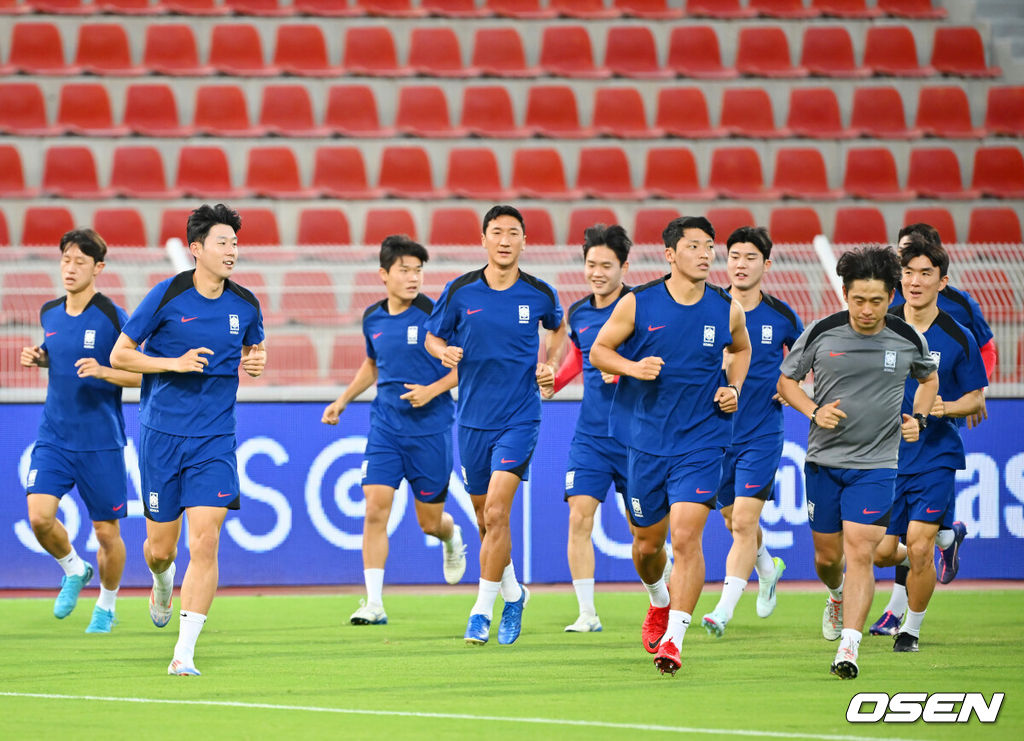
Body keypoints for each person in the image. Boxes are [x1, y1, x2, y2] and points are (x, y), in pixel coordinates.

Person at [110, 204, 266, 676]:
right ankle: (161, 581)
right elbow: (121, 355)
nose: (232, 250)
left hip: (215, 440)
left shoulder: (246, 304)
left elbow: (252, 348)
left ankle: (185, 653)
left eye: (235, 243)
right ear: (196, 249)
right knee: (161, 548)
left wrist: (255, 362)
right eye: (223, 242)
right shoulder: (166, 296)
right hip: (161, 437)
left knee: (206, 540)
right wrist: (173, 363)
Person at [590, 216, 751, 675]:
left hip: (703, 440)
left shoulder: (726, 309)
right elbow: (600, 351)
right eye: (695, 246)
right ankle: (659, 598)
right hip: (645, 442)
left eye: (709, 246)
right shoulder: (637, 304)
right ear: (670, 254)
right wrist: (633, 367)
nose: (705, 254)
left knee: (686, 536)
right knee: (646, 545)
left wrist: (734, 389)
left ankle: (675, 639)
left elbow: (740, 351)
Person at [777, 245, 938, 680]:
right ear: (845, 294)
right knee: (828, 558)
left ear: (891, 297)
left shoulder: (907, 339)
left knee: (860, 553)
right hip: (823, 462)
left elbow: (929, 378)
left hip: (877, 464)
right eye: (858, 300)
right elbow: (786, 381)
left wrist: (918, 418)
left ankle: (849, 648)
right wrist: (813, 411)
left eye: (877, 301)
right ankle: (835, 595)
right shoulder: (822, 332)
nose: (867, 310)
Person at [424, 205, 566, 646]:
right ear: (483, 239)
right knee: (487, 525)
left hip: (520, 417)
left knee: (497, 512)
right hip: (471, 420)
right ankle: (514, 593)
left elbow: (560, 331)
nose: (505, 240)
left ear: (524, 241)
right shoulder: (460, 290)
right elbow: (433, 335)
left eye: (513, 233)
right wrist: (441, 353)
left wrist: (551, 366)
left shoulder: (539, 293)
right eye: (497, 232)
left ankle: (480, 612)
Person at [321, 235, 466, 626]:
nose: (413, 277)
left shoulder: (437, 316)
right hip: (384, 428)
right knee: (374, 510)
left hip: (430, 429)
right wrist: (343, 399)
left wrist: (431, 390)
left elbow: (463, 366)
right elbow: (373, 364)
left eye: (419, 270)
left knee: (430, 523)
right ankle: (373, 603)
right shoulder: (373, 318)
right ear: (384, 275)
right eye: (405, 270)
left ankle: (452, 538)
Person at [870, 223, 995, 634]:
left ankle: (911, 629)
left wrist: (945, 407)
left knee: (919, 546)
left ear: (942, 281)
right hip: (886, 457)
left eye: (925, 274)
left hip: (934, 454)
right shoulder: (880, 325)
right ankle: (943, 541)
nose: (915, 281)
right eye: (908, 272)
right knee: (884, 551)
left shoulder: (958, 336)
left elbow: (977, 398)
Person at [20, 228, 140, 634]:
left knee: (108, 532)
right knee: (39, 518)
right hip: (54, 436)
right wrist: (41, 358)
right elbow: (60, 354)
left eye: (80, 262)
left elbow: (142, 373)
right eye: (66, 260)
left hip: (100, 443)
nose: (70, 269)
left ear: (98, 268)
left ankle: (106, 606)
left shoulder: (112, 316)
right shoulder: (49, 312)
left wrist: (105, 370)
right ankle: (73, 568)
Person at [702, 226, 803, 638]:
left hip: (762, 432)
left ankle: (722, 611)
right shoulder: (708, 308)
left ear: (767, 263)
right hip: (714, 433)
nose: (741, 265)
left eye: (750, 258)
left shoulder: (781, 317)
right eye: (735, 256)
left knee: (744, 521)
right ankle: (767, 566)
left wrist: (792, 386)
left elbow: (808, 360)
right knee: (731, 520)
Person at [551, 224, 632, 633]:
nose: (597, 272)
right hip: (592, 437)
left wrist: (627, 374)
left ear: (624, 266)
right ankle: (587, 613)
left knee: (646, 535)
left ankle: (661, 596)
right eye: (591, 264)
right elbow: (578, 359)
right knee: (579, 517)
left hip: (637, 437)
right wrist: (554, 380)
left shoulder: (641, 308)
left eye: (606, 265)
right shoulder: (578, 313)